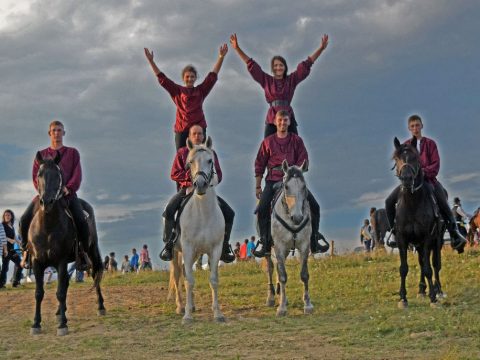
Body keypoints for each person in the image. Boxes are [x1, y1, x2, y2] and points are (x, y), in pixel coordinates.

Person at [385, 114, 467, 253]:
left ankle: (454, 234)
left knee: (443, 201)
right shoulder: (404, 146)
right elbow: (400, 163)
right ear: (409, 128)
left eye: (417, 125)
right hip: (409, 182)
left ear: (422, 126)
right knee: (388, 201)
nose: (415, 128)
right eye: (412, 126)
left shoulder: (430, 144)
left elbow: (435, 164)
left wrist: (423, 172)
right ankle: (394, 231)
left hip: (429, 181)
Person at [253, 110, 327, 257]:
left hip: (293, 182)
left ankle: (314, 240)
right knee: (261, 208)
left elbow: (303, 160)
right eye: (280, 120)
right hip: (273, 180)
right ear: (275, 122)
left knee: (315, 206)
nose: (282, 123)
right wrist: (257, 185)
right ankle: (264, 241)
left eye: (285, 120)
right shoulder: (267, 142)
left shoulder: (297, 141)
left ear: (289, 122)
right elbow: (259, 164)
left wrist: (295, 173)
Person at [159, 125, 236, 263]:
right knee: (169, 210)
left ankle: (224, 247)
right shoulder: (182, 152)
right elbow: (174, 173)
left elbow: (218, 174)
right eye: (194, 134)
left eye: (200, 134)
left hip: (206, 192)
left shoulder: (210, 153)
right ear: (189, 137)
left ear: (203, 136)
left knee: (230, 213)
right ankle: (168, 245)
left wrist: (206, 182)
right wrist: (191, 180)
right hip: (186, 190)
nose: (197, 136)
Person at [19, 120, 89, 270]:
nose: (56, 133)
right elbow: (35, 177)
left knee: (81, 221)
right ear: (49, 133)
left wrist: (68, 188)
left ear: (63, 133)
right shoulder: (41, 155)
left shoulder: (72, 153)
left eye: (59, 130)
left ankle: (82, 253)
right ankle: (27, 252)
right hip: (45, 196)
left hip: (67, 196)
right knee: (24, 220)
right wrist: (44, 193)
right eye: (54, 130)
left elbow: (77, 175)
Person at [229, 33, 329, 138]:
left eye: (281, 65)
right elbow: (251, 65)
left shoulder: (291, 80)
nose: (278, 68)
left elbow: (307, 64)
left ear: (285, 67)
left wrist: (321, 49)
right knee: (267, 145)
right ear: (273, 68)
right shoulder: (266, 80)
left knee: (296, 143)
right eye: (275, 65)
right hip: (272, 117)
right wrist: (237, 48)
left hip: (287, 115)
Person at [144, 44, 228, 150]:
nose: (190, 79)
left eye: (192, 76)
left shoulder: (201, 90)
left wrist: (221, 57)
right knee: (181, 157)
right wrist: (151, 61)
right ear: (183, 78)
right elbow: (163, 79)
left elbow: (212, 77)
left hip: (198, 128)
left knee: (201, 156)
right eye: (187, 76)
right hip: (182, 129)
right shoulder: (177, 91)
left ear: (195, 78)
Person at [0, 210, 23, 288]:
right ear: (3, 216)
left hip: (12, 250)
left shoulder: (12, 226)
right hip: (5, 250)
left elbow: (15, 237)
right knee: (5, 268)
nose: (7, 216)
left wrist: (19, 242)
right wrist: (9, 239)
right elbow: (2, 236)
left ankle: (15, 282)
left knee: (20, 264)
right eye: (5, 215)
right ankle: (1, 284)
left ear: (11, 216)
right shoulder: (2, 225)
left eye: (8, 215)